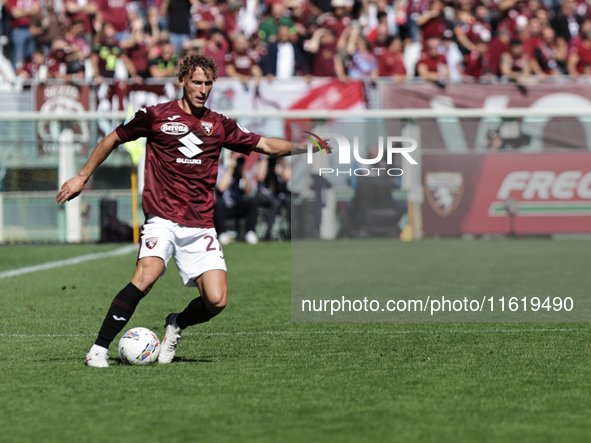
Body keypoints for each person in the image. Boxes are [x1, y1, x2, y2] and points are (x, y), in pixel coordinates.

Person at [56, 54, 328, 368]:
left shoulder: (219, 125)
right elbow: (113, 138)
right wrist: (82, 176)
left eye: (208, 83)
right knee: (148, 275)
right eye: (197, 82)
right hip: (162, 218)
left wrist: (309, 146)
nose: (202, 89)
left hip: (200, 226)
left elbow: (265, 145)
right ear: (183, 81)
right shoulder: (155, 116)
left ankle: (176, 324)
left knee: (217, 300)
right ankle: (99, 349)